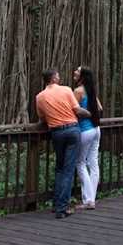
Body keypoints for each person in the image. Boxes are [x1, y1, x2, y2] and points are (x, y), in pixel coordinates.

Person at [35, 68, 91, 218]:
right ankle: (62, 208)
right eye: (58, 75)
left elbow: (42, 119)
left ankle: (56, 204)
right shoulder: (66, 90)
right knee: (68, 170)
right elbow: (78, 110)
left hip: (56, 133)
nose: (59, 77)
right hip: (72, 131)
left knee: (60, 169)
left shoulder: (39, 97)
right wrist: (91, 114)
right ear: (53, 78)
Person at [73, 65, 102, 209]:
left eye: (77, 71)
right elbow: (100, 109)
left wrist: (83, 115)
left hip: (85, 130)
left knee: (80, 163)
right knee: (93, 163)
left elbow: (72, 109)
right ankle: (91, 198)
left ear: (82, 76)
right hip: (96, 129)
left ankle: (88, 201)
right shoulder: (91, 91)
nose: (75, 72)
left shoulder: (78, 91)